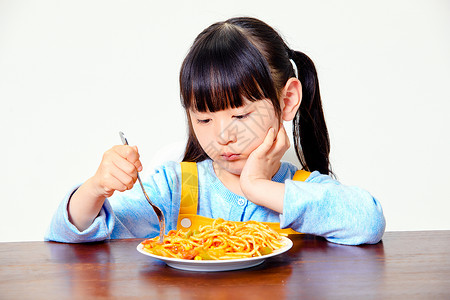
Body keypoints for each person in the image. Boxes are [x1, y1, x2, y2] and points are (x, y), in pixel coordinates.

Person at [45, 17, 385, 245]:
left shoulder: (299, 189)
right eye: (204, 119)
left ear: (287, 100)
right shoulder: (175, 189)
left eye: (240, 114)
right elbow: (69, 235)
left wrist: (258, 186)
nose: (222, 136)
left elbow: (368, 221)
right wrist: (95, 188)